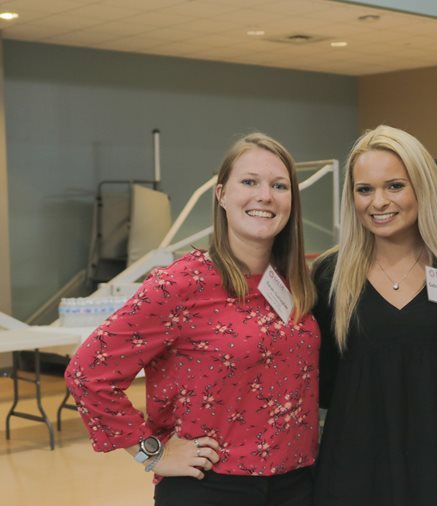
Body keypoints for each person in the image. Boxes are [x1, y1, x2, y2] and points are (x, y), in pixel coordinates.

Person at [65, 133, 320, 506]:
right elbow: (87, 373)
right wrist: (152, 453)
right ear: (221, 195)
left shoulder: (295, 282)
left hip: (297, 483)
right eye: (249, 182)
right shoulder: (182, 284)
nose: (265, 195)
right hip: (212, 486)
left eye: (279, 185)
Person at [312, 125, 437, 506]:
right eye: (364, 189)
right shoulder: (329, 276)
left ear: (422, 187)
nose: (378, 202)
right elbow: (320, 385)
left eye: (395, 186)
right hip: (354, 475)